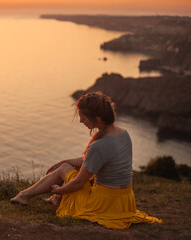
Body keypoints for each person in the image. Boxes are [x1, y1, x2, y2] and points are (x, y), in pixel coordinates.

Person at [10, 91, 162, 229]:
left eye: (83, 118)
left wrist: (60, 189)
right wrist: (63, 161)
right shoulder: (123, 134)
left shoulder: (99, 145)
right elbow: (89, 161)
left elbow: (79, 182)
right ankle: (54, 199)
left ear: (97, 119)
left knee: (65, 168)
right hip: (124, 201)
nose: (81, 121)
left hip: (103, 204)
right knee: (67, 166)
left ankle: (24, 196)